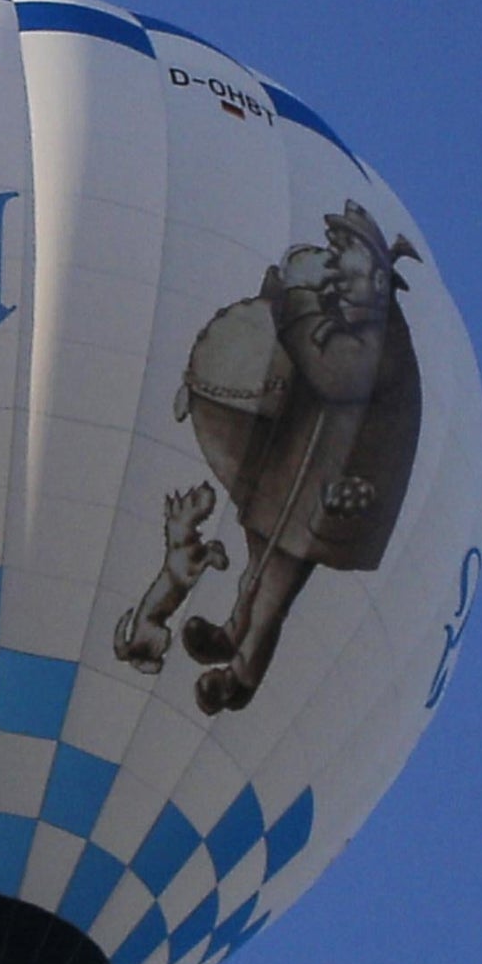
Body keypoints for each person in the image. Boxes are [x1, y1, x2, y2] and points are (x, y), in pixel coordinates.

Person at [176, 201, 423, 712]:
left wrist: (297, 299)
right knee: (259, 566)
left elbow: (334, 373)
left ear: (378, 281)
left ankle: (239, 678)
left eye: (344, 270)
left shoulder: (381, 342)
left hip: (336, 491)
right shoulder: (356, 317)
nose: (333, 275)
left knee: (277, 587)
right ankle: (230, 634)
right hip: (300, 466)